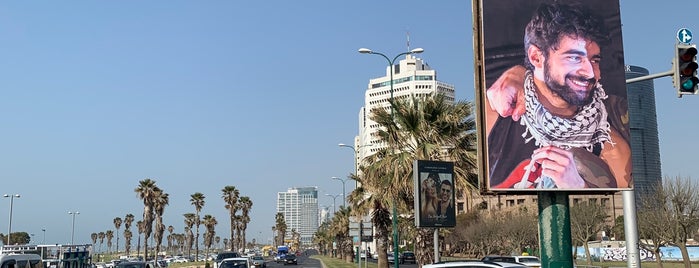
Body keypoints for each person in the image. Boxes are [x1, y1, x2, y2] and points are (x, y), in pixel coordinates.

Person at [485, 2, 632, 189]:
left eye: (594, 59)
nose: (590, 73)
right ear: (536, 57)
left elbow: (623, 207)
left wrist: (577, 186)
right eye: (574, 57)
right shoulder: (497, 107)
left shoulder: (612, 136)